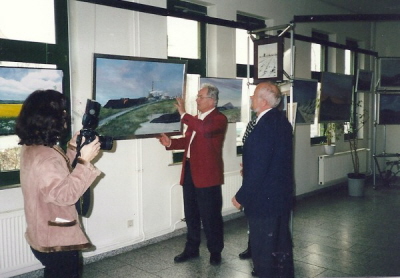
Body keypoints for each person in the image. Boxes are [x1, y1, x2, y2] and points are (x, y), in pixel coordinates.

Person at [16, 89, 102, 278]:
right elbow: (65, 196)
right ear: (49, 118)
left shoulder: (33, 147)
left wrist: (73, 147)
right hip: (56, 241)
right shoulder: (46, 156)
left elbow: (58, 172)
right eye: (61, 113)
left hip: (42, 233)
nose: (65, 117)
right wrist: (85, 162)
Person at [158, 83, 227, 265]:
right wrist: (170, 143)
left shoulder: (219, 119)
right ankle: (192, 249)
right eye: (197, 96)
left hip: (208, 176)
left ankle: (215, 251)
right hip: (189, 172)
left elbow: (203, 129)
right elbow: (188, 141)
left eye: (200, 96)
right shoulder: (196, 119)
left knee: (211, 216)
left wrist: (183, 114)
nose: (196, 99)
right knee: (191, 215)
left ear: (211, 100)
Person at [232, 82, 294, 278]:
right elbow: (274, 160)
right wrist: (250, 166)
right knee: (280, 248)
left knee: (263, 251)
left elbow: (260, 168)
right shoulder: (281, 121)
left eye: (254, 95)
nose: (251, 98)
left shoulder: (264, 126)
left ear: (264, 101)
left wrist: (240, 197)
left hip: (264, 200)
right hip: (279, 197)